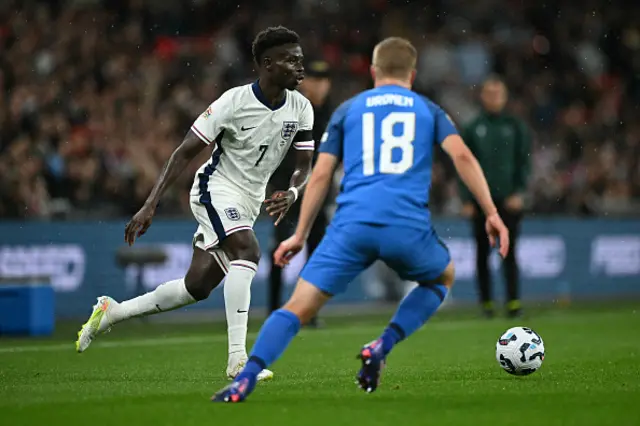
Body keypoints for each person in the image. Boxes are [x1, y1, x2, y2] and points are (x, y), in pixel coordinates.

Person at [212, 36, 510, 403]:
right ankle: (383, 343)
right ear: (412, 75)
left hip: (351, 225)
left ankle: (247, 377)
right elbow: (462, 156)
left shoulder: (349, 110)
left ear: (373, 72)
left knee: (297, 307)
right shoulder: (428, 109)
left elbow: (320, 174)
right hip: (406, 225)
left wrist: (300, 234)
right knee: (441, 278)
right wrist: (492, 213)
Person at [75, 26, 316, 382]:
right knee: (246, 252)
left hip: (249, 199)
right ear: (267, 64)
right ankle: (238, 361)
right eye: (291, 60)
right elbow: (184, 151)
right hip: (214, 188)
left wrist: (294, 192)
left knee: (197, 287)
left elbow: (303, 165)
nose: (300, 67)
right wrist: (150, 203)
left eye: (300, 60)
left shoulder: (302, 108)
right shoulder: (232, 102)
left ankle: (112, 312)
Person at [267, 58, 334, 326]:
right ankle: (273, 309)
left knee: (316, 253)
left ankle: (309, 310)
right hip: (287, 190)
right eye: (314, 81)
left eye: (323, 81)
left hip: (317, 193)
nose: (319, 86)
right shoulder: (289, 107)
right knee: (279, 250)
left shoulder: (331, 113)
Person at [459, 76, 531, 319]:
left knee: (510, 252)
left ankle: (512, 301)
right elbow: (463, 164)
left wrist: (519, 191)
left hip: (508, 199)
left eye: (498, 93)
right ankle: (486, 303)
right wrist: (466, 198)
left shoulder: (516, 126)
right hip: (480, 200)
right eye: (489, 93)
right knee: (481, 252)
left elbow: (524, 161)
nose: (494, 98)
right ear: (482, 96)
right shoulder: (473, 127)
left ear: (505, 96)